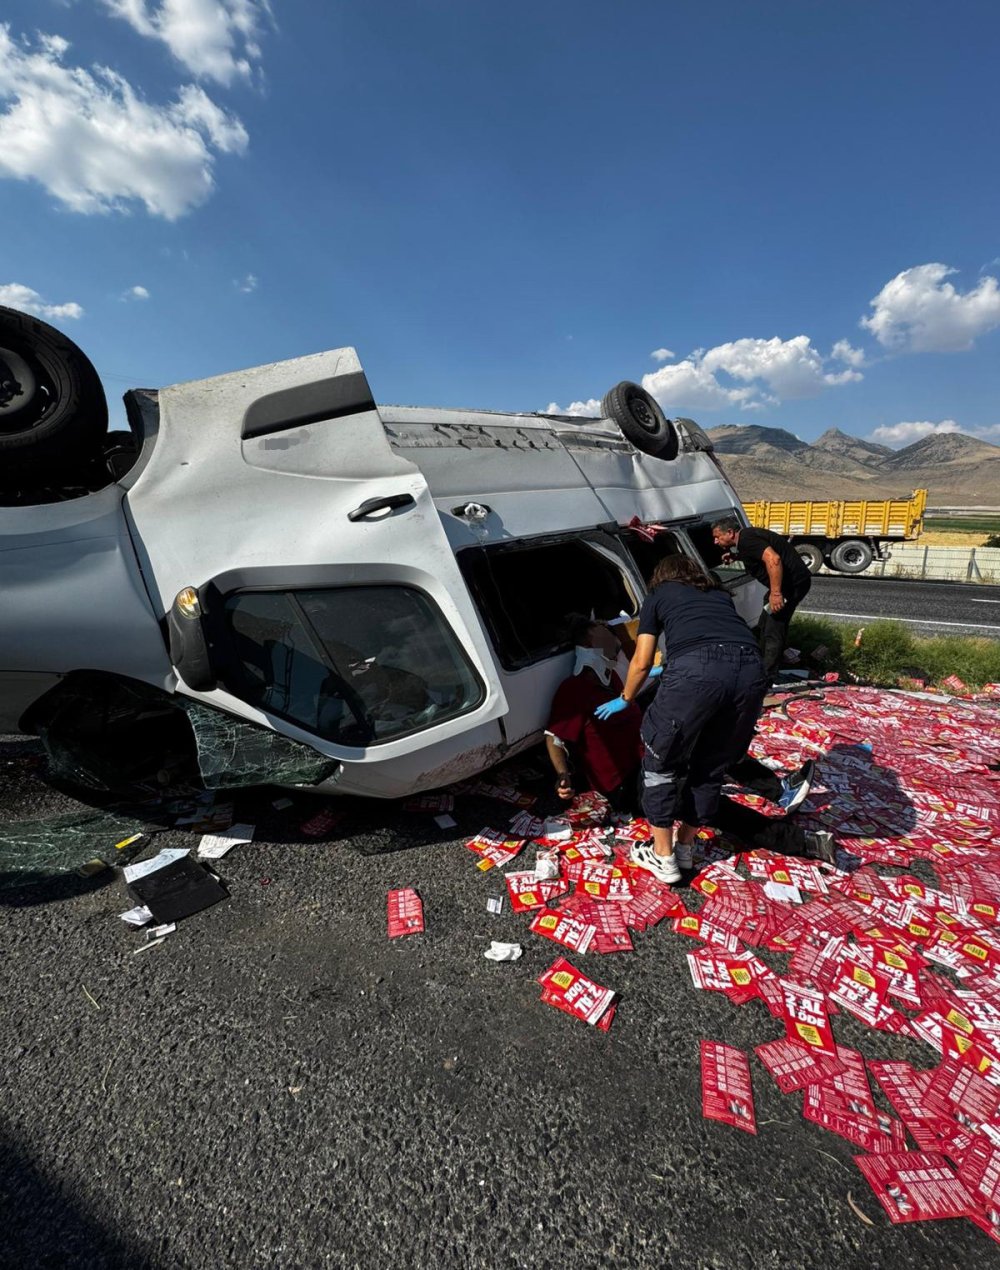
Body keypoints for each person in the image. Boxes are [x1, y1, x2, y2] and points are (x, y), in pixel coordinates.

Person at [593, 556, 833, 885]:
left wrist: (625, 698)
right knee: (711, 767)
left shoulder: (659, 595)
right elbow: (724, 639)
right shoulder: (718, 594)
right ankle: (685, 849)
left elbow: (642, 658)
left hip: (696, 671)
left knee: (660, 765)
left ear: (662, 575)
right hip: (750, 671)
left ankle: (662, 856)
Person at [710, 515, 812, 683]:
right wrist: (736, 558)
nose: (715, 541)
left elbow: (774, 559)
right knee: (764, 624)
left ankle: (767, 678)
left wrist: (776, 593)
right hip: (789, 585)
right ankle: (761, 666)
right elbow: (757, 555)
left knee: (774, 627)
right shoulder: (746, 539)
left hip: (790, 586)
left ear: (729, 532)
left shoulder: (747, 540)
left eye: (717, 537)